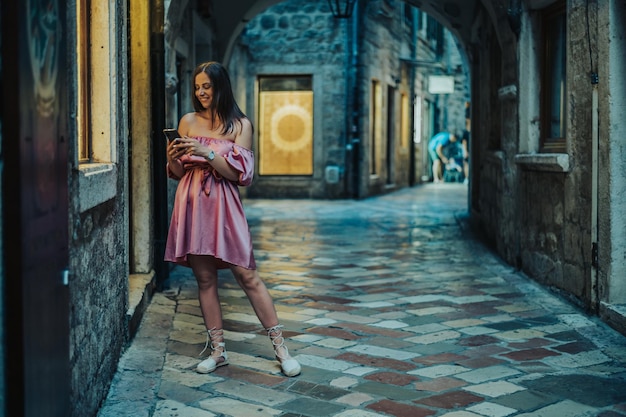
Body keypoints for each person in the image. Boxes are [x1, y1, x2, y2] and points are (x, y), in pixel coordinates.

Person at [164, 61, 301, 377]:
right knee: (206, 279)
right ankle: (218, 351)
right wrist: (172, 160)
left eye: (206, 86)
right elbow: (177, 173)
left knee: (247, 274)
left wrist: (206, 151)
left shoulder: (240, 126)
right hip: (191, 203)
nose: (200, 93)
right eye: (197, 87)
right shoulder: (186, 121)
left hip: (224, 206)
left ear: (220, 87)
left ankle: (281, 348)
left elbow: (241, 175)